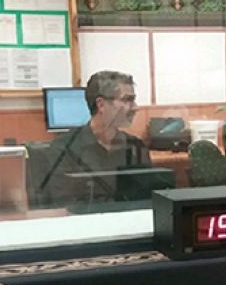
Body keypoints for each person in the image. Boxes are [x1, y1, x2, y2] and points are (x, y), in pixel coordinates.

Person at [39, 70, 150, 205]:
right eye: (127, 100)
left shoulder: (135, 147)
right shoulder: (64, 149)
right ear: (101, 104)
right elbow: (63, 203)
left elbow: (147, 198)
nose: (135, 108)